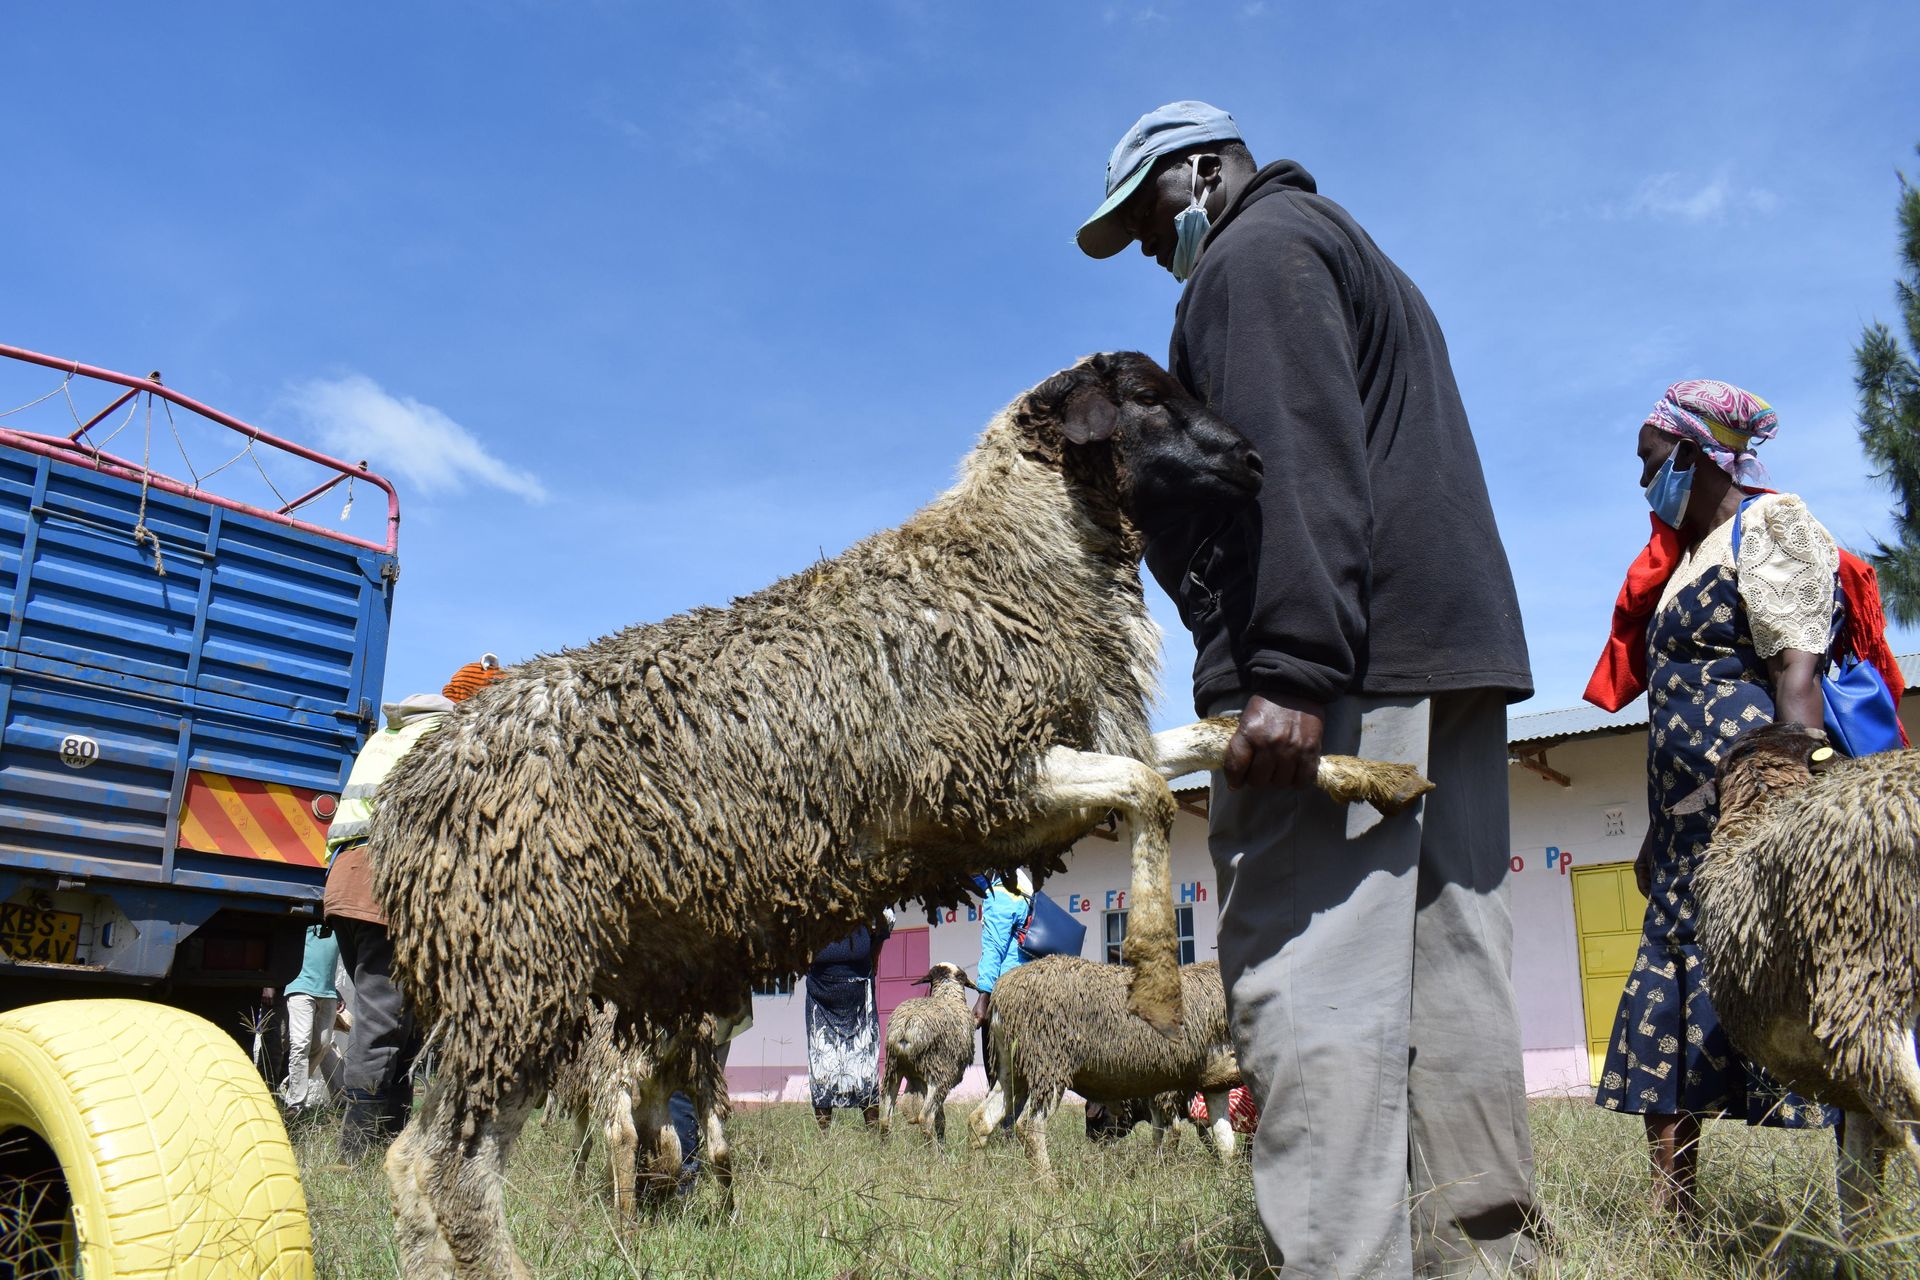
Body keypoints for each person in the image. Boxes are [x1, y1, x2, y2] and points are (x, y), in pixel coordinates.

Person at [1077, 101, 1542, 1276]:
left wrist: (1287, 669)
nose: (1148, 248)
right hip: (1441, 668)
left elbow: (1299, 449)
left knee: (1313, 985)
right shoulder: (1346, 246)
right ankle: (1481, 1260)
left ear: (1201, 169)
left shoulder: (1252, 257)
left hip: (1340, 682)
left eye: (1148, 216)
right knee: (1451, 983)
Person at [1583, 381, 1842, 1217]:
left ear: (1693, 456)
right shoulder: (1682, 562)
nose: (1643, 482)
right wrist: (1658, 827)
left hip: (1749, 817)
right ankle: (1675, 1211)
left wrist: (1786, 812)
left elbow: (1794, 672)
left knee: (1800, 1003)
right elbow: (1671, 711)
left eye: (1651, 463)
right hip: (1685, 831)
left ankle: (1863, 1202)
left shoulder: (1767, 528)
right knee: (1660, 1007)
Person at [324, 653, 504, 1159]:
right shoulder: (446, 740)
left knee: (402, 1020)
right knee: (383, 1020)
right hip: (386, 886)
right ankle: (356, 1151)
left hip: (348, 881)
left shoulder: (394, 732)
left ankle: (390, 1140)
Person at [804, 909, 893, 1130]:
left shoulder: (865, 895)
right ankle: (825, 1140)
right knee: (822, 1065)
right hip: (820, 998)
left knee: (865, 1068)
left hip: (860, 999)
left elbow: (886, 917)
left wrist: (874, 954)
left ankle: (874, 1136)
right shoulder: (809, 900)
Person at [971, 869, 1030, 1088]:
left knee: (998, 1063)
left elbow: (994, 947)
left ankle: (1004, 1119)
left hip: (1004, 991)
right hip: (1025, 986)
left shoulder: (999, 896)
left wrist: (983, 996)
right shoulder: (1023, 890)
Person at [281, 923, 341, 1113]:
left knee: (324, 1044)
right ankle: (295, 1104)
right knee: (300, 1043)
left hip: (329, 991)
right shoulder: (305, 924)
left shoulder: (340, 926)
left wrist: (338, 993)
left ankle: (292, 1082)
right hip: (300, 988)